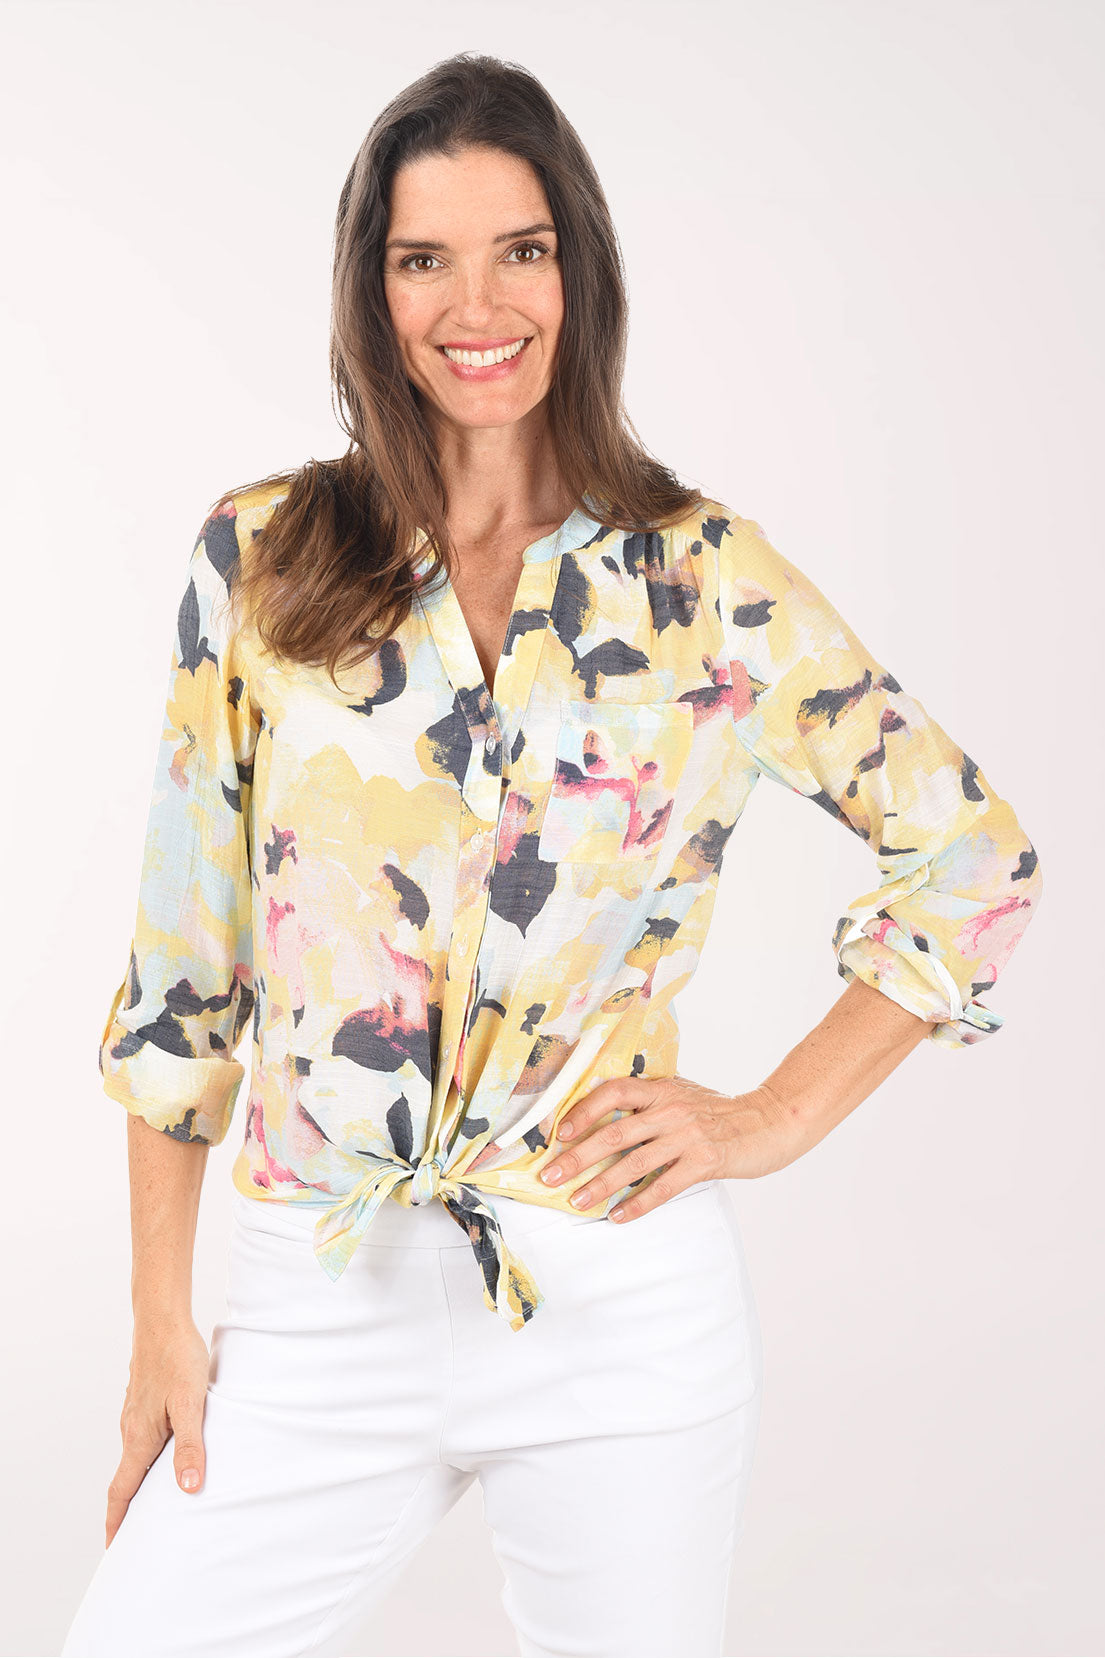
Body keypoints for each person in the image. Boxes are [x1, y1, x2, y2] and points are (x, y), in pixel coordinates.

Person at [60, 50, 1043, 1658]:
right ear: (369, 293)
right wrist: (161, 1317)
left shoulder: (699, 581)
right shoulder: (258, 560)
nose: (477, 302)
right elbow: (184, 978)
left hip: (613, 1303)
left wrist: (766, 1119)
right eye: (422, 257)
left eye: (520, 249)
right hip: (320, 1297)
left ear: (577, 269)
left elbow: (972, 859)